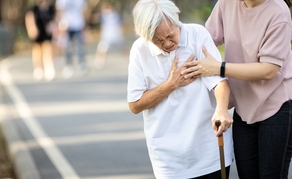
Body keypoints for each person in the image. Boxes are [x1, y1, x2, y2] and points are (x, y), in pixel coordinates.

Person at [182, 0, 292, 178]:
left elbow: (268, 70)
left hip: (277, 107)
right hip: (244, 109)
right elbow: (204, 40)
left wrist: (220, 68)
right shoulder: (227, 3)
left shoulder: (279, 12)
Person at [127, 0, 234, 178]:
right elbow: (135, 105)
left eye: (170, 35)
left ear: (176, 17)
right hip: (168, 159)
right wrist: (171, 84)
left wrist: (222, 109)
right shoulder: (139, 50)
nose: (167, 43)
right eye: (158, 41)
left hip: (209, 151)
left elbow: (219, 82)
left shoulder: (197, 35)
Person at [55, 0, 87, 78]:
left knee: (80, 46)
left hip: (78, 25)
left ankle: (81, 64)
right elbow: (59, 11)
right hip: (66, 26)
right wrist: (60, 24)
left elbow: (84, 11)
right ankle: (68, 65)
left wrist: (85, 26)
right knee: (67, 46)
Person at [25, 0, 56, 81]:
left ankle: (49, 68)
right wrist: (31, 28)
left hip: (47, 34)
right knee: (37, 51)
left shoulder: (50, 9)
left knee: (48, 49)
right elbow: (29, 18)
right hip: (37, 33)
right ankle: (38, 68)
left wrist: (54, 26)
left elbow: (55, 19)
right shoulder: (34, 9)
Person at [93, 2, 124, 69]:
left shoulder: (104, 15)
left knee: (102, 49)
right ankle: (131, 58)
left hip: (108, 36)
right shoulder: (116, 15)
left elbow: (95, 18)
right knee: (123, 48)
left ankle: (100, 61)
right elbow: (120, 25)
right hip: (116, 35)